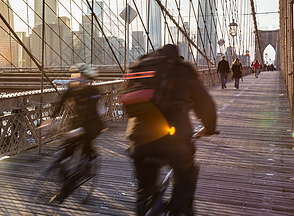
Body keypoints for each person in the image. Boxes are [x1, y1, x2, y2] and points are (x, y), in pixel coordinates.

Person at [126, 44, 217, 216]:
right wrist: (209, 128)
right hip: (174, 141)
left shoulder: (141, 68)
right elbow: (206, 105)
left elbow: (128, 101)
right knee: (187, 173)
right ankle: (179, 209)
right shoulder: (184, 72)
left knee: (144, 189)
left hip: (139, 140)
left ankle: (144, 207)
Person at [49, 63, 104, 201]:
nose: (76, 80)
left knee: (85, 140)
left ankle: (68, 188)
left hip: (93, 125)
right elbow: (60, 103)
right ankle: (67, 178)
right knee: (63, 156)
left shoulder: (94, 92)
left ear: (88, 79)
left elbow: (90, 113)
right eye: (75, 76)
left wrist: (79, 130)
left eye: (80, 77)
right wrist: (50, 120)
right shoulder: (72, 89)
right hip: (78, 123)